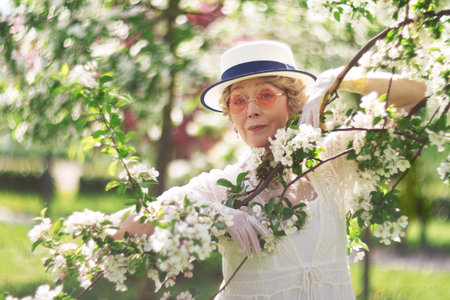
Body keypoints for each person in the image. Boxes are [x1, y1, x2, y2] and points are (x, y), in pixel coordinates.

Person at [115, 40, 426, 299]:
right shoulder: (225, 187)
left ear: (292, 102)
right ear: (232, 119)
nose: (252, 110)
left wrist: (339, 80)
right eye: (238, 101)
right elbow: (126, 228)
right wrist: (216, 213)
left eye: (265, 95)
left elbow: (416, 96)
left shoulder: (332, 159)